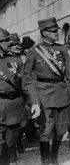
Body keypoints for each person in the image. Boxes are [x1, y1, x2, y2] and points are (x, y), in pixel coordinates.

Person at [22, 17, 70, 165]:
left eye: (57, 30)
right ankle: (46, 162)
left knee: (61, 131)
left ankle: (54, 157)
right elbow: (27, 79)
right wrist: (34, 101)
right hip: (43, 96)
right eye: (53, 31)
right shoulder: (34, 52)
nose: (57, 33)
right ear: (44, 33)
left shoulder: (63, 49)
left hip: (62, 95)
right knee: (46, 131)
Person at [0, 28, 26, 165]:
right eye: (6, 41)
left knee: (12, 140)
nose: (9, 43)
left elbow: (26, 83)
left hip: (14, 105)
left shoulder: (15, 60)